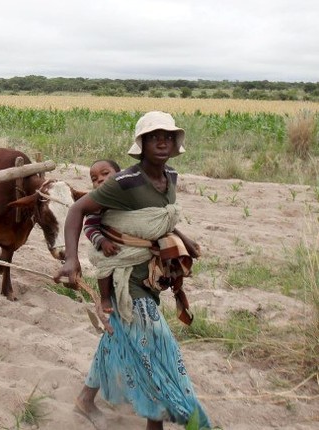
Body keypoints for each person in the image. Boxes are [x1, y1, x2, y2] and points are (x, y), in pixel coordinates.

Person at [55, 111, 209, 430]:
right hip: (126, 278)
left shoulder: (171, 178)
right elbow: (77, 211)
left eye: (167, 136)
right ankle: (160, 423)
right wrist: (71, 260)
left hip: (152, 275)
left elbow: (159, 219)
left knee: (119, 336)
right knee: (157, 346)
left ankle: (85, 399)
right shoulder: (124, 182)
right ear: (141, 144)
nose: (162, 141)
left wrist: (183, 238)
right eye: (154, 137)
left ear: (175, 141)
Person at [83, 159, 122, 316]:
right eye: (94, 178)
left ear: (121, 175)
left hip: (128, 242)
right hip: (106, 243)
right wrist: (102, 241)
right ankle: (105, 298)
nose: (99, 179)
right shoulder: (98, 201)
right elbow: (89, 227)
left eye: (105, 174)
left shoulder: (130, 196)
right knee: (104, 265)